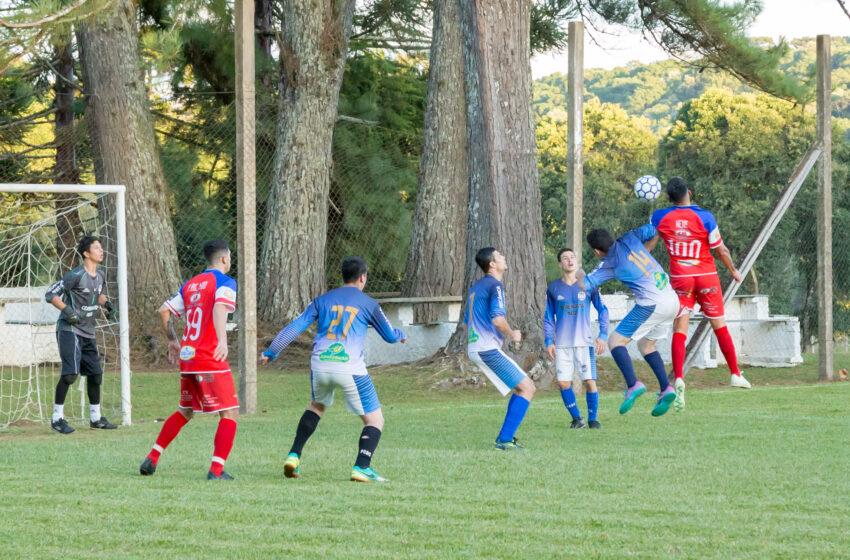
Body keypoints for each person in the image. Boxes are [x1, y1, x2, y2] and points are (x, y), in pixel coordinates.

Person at [260, 256, 406, 484]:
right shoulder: (369, 304)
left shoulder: (322, 300)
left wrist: (272, 351)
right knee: (375, 420)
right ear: (362, 278)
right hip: (350, 369)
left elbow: (296, 325)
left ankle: (294, 455)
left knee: (316, 406)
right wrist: (401, 335)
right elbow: (388, 336)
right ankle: (362, 467)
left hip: (320, 364)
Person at [139, 239, 239, 480]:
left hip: (188, 356)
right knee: (230, 412)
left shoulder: (191, 284)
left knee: (185, 410)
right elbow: (218, 309)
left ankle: (152, 457)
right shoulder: (225, 282)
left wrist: (173, 341)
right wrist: (222, 341)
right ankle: (216, 470)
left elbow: (164, 311)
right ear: (224, 259)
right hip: (209, 355)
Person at [649, 177, 751, 411]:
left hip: (681, 279)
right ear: (690, 192)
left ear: (669, 197)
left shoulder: (659, 217)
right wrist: (734, 271)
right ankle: (735, 373)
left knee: (680, 328)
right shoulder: (705, 217)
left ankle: (679, 379)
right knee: (719, 324)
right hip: (706, 276)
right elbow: (721, 249)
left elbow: (650, 246)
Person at [578, 226, 679, 417]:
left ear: (597, 251)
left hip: (652, 304)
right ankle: (666, 388)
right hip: (671, 298)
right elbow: (654, 229)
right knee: (646, 345)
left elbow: (586, 284)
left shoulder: (610, 263)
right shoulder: (631, 237)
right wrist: (648, 246)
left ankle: (633, 384)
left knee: (615, 341)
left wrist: (578, 273)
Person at [465, 247, 536, 450]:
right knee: (527, 387)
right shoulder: (495, 286)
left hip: (478, 347)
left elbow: (466, 322)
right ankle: (504, 440)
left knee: (522, 388)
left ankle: (506, 438)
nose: (504, 257)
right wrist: (512, 333)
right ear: (492, 264)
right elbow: (497, 320)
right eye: (499, 256)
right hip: (486, 349)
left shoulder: (475, 288)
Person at [46, 235, 117, 434]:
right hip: (69, 330)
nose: (101, 250)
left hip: (88, 331)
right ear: (86, 253)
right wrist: (68, 312)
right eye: (96, 248)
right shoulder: (75, 275)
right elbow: (50, 294)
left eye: (101, 247)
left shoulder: (101, 275)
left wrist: (107, 304)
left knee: (95, 374)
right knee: (70, 374)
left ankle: (96, 418)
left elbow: (97, 294)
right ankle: (57, 418)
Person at [544, 248, 609, 429]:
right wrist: (549, 340)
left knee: (589, 381)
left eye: (572, 257)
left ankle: (593, 419)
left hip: (584, 342)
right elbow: (548, 317)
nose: (570, 260)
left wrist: (603, 335)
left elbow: (603, 310)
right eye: (565, 258)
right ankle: (577, 419)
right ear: (560, 264)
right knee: (564, 382)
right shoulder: (553, 288)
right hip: (562, 344)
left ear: (577, 262)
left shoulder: (588, 284)